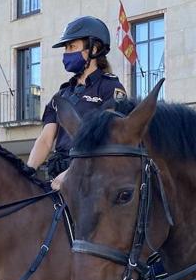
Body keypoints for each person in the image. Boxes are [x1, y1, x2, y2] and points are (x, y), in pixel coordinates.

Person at [26, 16, 127, 189]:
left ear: (94, 48)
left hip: (91, 178)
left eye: (72, 47)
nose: (67, 53)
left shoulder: (110, 88)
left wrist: (73, 172)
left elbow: (110, 139)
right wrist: (26, 172)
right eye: (66, 48)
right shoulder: (61, 95)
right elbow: (45, 140)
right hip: (58, 173)